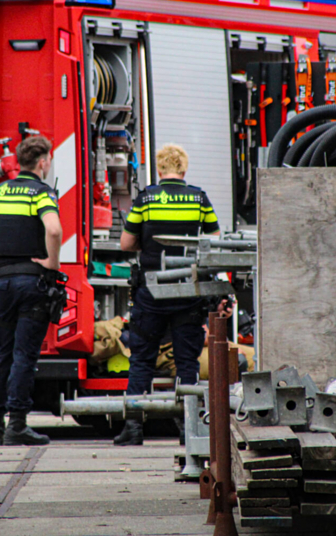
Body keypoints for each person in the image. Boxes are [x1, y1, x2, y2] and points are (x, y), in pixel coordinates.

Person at [114, 144, 220, 445]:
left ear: (160, 169)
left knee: (142, 359)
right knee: (186, 362)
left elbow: (126, 243)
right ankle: (188, 430)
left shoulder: (146, 198)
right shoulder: (199, 198)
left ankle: (133, 427)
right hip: (188, 290)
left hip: (152, 291)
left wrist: (148, 246)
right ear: (184, 169)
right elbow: (213, 242)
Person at [0, 135, 63, 446]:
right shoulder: (41, 193)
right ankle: (17, 424)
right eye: (49, 160)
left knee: (3, 354)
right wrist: (52, 263)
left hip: (2, 285)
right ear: (42, 162)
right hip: (32, 284)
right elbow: (54, 229)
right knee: (24, 355)